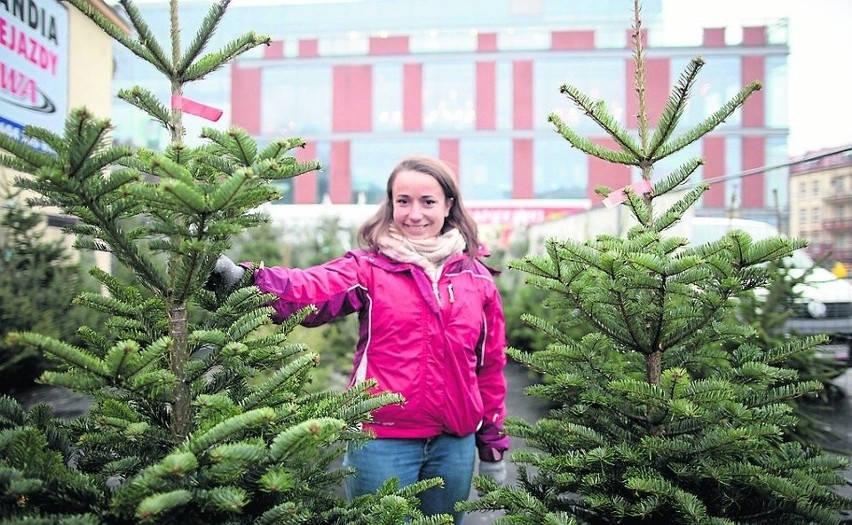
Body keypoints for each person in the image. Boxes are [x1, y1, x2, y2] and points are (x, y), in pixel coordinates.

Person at [209, 155, 509, 523]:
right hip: (381, 441)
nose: (415, 214)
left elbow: (489, 368)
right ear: (391, 204)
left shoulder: (477, 280)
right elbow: (310, 290)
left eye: (427, 202)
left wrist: (492, 445)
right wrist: (243, 280)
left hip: (455, 445)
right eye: (403, 201)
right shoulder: (368, 268)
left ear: (448, 205)